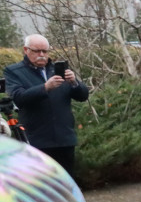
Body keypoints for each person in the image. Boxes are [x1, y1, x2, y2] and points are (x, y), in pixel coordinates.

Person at [3, 34, 89, 177]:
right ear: (26, 50)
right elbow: (19, 98)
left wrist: (74, 82)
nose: (42, 55)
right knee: (41, 183)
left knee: (65, 182)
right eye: (37, 51)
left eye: (45, 51)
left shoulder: (57, 69)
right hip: (36, 140)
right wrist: (45, 87)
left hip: (64, 139)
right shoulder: (14, 71)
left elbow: (83, 96)